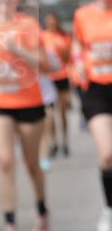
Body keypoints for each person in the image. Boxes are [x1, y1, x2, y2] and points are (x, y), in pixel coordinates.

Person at [0, 0, 50, 231]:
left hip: (29, 101)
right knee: (6, 161)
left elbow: (43, 62)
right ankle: (10, 223)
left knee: (32, 164)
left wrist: (16, 49)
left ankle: (42, 211)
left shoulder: (28, 24)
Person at [72, 0, 112, 231]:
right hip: (96, 90)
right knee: (108, 155)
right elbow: (77, 43)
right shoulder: (83, 15)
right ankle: (109, 209)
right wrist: (77, 62)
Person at [42, 11, 72, 157]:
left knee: (63, 113)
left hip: (62, 77)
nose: (51, 23)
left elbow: (69, 59)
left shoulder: (64, 36)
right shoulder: (43, 36)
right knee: (50, 114)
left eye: (53, 20)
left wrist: (62, 50)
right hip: (48, 79)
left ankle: (65, 141)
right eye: (48, 20)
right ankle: (54, 142)